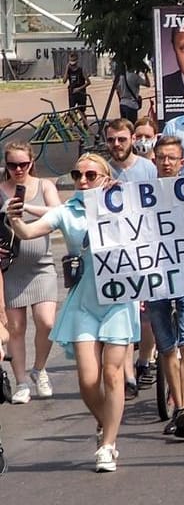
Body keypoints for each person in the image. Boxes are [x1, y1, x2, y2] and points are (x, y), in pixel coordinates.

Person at [7, 154, 140, 471]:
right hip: (84, 303)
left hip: (119, 301)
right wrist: (14, 219)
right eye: (77, 174)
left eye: (90, 175)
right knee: (87, 380)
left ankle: (108, 445)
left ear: (104, 177)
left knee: (112, 373)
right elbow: (28, 232)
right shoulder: (68, 212)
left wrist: (121, 201)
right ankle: (104, 423)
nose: (82, 180)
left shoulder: (126, 206)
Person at [144, 136, 184, 437]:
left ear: (182, 163)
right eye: (161, 157)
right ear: (154, 160)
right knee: (167, 347)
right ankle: (179, 406)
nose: (166, 162)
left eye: (172, 158)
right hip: (155, 279)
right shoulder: (141, 195)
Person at [2, 144, 61, 403]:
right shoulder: (0, 191)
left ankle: (39, 368)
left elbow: (58, 212)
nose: (18, 170)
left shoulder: (44, 185)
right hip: (11, 269)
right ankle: (21, 382)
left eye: (23, 164)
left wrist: (27, 209)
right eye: (13, 165)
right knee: (16, 327)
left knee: (46, 322)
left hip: (42, 266)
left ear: (31, 162)